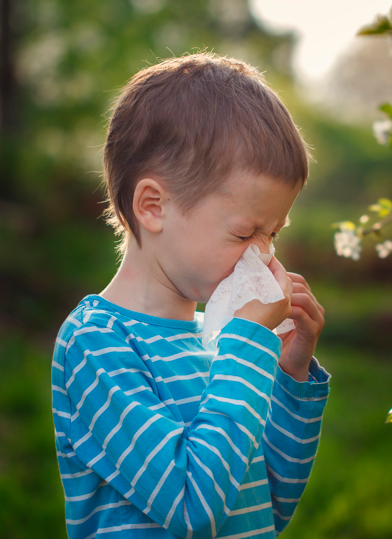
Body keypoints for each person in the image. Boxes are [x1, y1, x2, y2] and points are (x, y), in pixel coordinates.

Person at [50, 53, 329, 539]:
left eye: (273, 234)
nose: (261, 257)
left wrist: (289, 372)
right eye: (245, 233)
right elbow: (192, 506)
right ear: (154, 207)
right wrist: (246, 345)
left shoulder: (217, 341)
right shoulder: (95, 344)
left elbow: (268, 505)